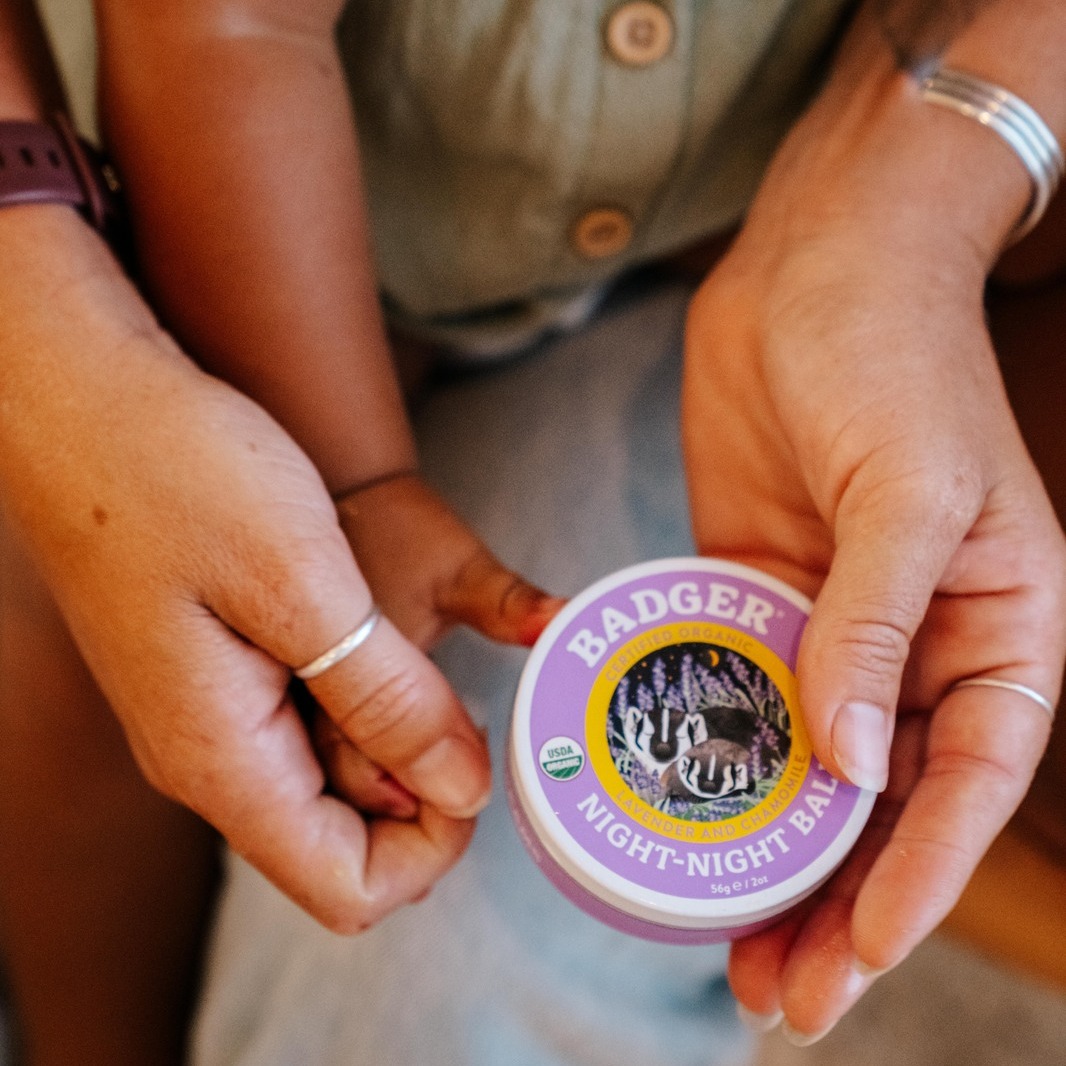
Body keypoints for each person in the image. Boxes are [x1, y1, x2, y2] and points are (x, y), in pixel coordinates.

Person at [0, 0, 1063, 1063]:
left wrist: (915, 206)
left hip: (731, 267)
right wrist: (356, 479)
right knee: (68, 685)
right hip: (236, 242)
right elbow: (226, 37)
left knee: (437, 979)